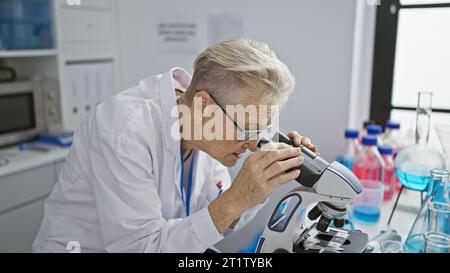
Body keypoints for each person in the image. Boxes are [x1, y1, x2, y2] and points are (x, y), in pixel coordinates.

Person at [33, 39, 317, 252]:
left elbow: (210, 221)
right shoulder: (123, 130)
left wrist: (263, 184)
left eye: (262, 127)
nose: (253, 141)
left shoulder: (209, 131)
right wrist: (238, 197)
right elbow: (140, 247)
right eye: (247, 127)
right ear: (203, 104)